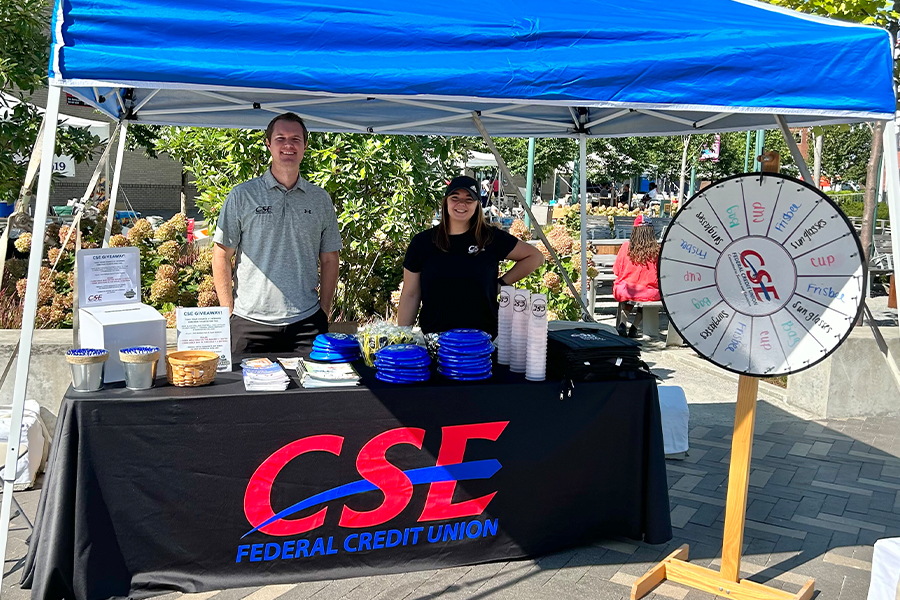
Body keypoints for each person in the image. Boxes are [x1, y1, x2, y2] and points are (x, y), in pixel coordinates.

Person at [213, 112, 342, 356]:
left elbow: (329, 259)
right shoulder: (243, 195)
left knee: (311, 393)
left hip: (306, 323)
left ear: (305, 145)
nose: (288, 145)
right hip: (249, 324)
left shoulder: (320, 199)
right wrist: (227, 312)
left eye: (296, 139)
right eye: (280, 138)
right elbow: (221, 255)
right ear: (268, 144)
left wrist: (324, 310)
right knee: (246, 393)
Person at [398, 176, 543, 336]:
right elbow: (411, 294)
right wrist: (402, 337)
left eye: (469, 199)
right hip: (437, 341)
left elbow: (535, 257)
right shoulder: (423, 242)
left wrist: (501, 284)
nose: (462, 204)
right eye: (455, 198)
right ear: (446, 202)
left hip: (483, 341)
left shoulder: (490, 238)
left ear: (477, 205)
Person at [613, 215, 660, 338]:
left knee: (628, 293)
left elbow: (616, 270)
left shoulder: (625, 247)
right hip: (649, 293)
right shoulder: (657, 251)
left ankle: (622, 323)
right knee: (646, 298)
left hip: (626, 290)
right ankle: (634, 326)